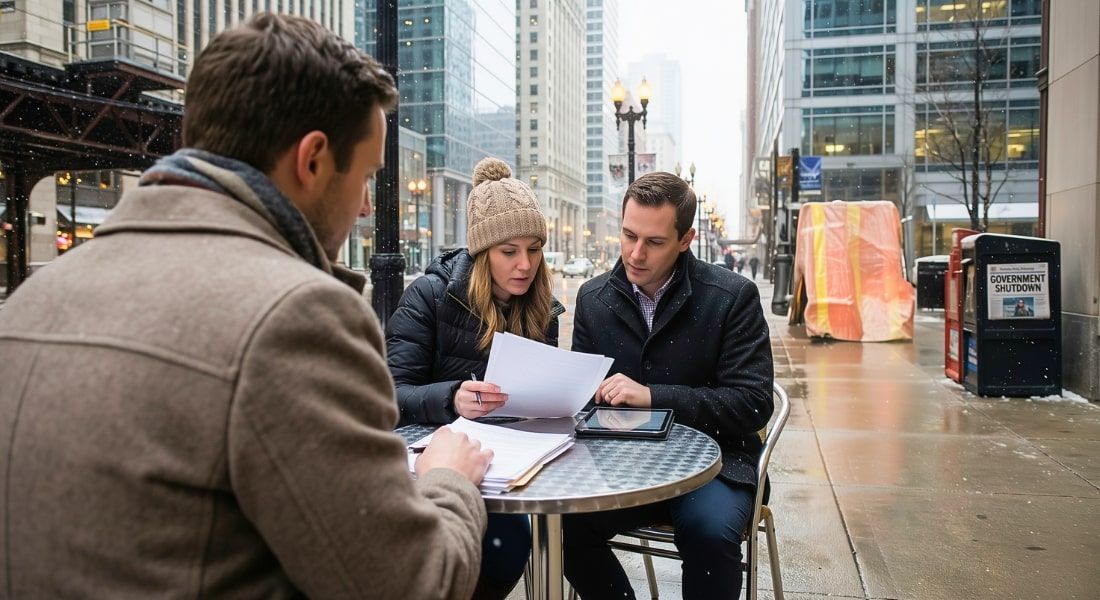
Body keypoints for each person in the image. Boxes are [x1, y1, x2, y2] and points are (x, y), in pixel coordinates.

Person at [0, 14, 493, 599]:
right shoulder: (298, 316)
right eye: (365, 177)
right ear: (311, 160)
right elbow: (415, 583)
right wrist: (447, 480)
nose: (366, 207)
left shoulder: (31, 301)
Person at [563, 172, 774, 600]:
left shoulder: (732, 296)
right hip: (622, 465)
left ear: (686, 239)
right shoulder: (592, 298)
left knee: (710, 533)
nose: (635, 254)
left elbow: (752, 404)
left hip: (718, 464)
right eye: (628, 235)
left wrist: (653, 396)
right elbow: (582, 398)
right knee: (558, 526)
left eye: (654, 242)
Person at [386, 157, 564, 599]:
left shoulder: (541, 306)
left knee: (522, 546)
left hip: (512, 458)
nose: (525, 264)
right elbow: (390, 392)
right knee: (507, 547)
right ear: (482, 253)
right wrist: (452, 398)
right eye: (509, 251)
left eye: (534, 249)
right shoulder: (429, 296)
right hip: (433, 461)